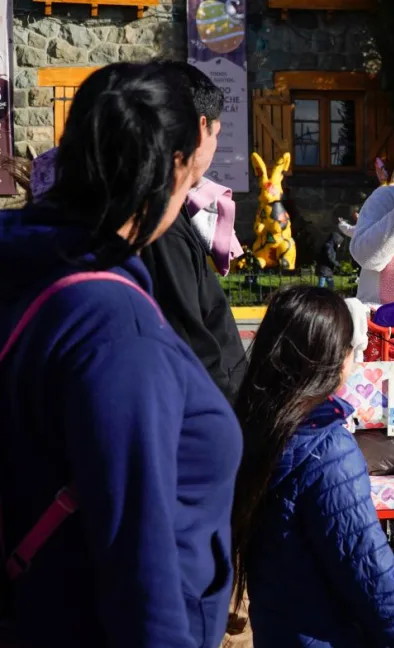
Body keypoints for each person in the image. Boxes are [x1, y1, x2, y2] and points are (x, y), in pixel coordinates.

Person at [0, 62, 241, 648]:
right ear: (177, 166)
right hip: (87, 635)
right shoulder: (116, 329)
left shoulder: (26, 264)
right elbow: (138, 557)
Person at [232, 286, 394, 648]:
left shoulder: (256, 430)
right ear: (331, 358)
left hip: (280, 642)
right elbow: (374, 583)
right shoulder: (328, 450)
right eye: (352, 349)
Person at [140, 61, 246, 404]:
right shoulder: (160, 225)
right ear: (202, 128)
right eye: (217, 133)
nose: (216, 144)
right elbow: (188, 342)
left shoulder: (162, 210)